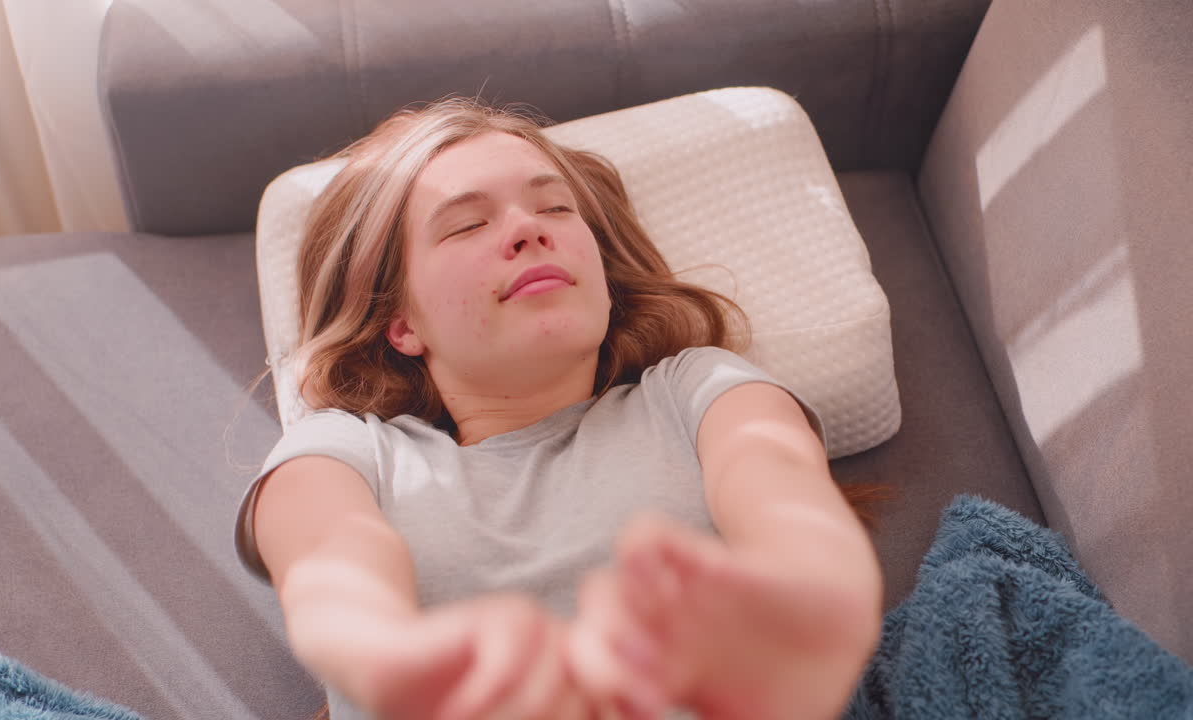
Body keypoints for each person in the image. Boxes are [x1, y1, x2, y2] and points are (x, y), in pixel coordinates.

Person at [234, 97, 886, 720]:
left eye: (555, 208)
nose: (527, 229)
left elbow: (791, 510)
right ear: (400, 323)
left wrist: (808, 604)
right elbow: (334, 578)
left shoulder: (698, 393)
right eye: (467, 223)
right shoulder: (346, 452)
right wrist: (414, 669)